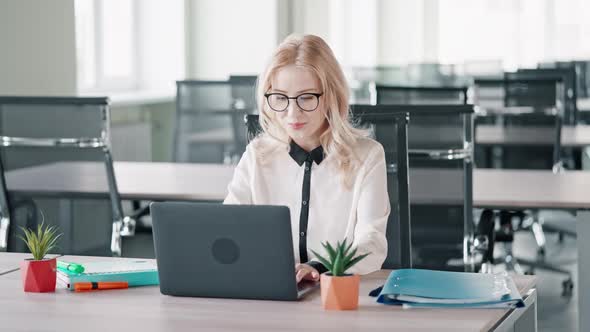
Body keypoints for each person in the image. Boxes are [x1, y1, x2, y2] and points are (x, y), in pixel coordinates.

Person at [224, 34, 390, 283]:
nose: (293, 113)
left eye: (306, 98)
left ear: (331, 96)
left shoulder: (367, 157)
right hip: (266, 294)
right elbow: (225, 229)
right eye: (280, 98)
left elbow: (372, 243)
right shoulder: (257, 155)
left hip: (336, 291)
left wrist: (320, 266)